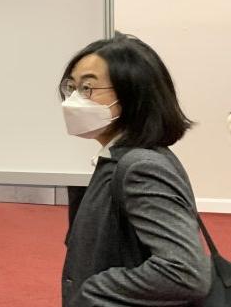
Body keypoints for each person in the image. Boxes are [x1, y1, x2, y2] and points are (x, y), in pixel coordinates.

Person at [59, 33, 211, 306]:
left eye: (87, 88)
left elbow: (185, 272)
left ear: (131, 95)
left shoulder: (141, 167)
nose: (72, 100)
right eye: (71, 87)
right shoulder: (117, 157)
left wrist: (95, 290)